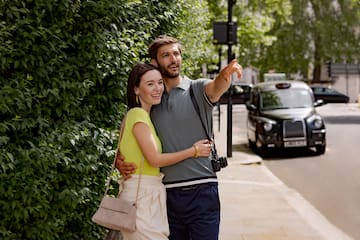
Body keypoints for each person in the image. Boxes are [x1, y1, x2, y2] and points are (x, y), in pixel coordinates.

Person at [117, 36, 242, 240]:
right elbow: (130, 142)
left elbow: (216, 87)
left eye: (176, 53)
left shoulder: (197, 89)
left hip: (202, 190)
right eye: (166, 55)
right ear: (155, 63)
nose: (173, 59)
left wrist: (225, 76)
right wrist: (118, 161)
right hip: (167, 195)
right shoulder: (151, 101)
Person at [118, 62, 212, 240]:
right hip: (141, 196)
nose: (157, 88)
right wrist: (194, 151)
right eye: (150, 84)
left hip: (148, 194)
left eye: (160, 82)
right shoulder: (137, 115)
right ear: (136, 89)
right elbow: (155, 160)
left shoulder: (145, 117)